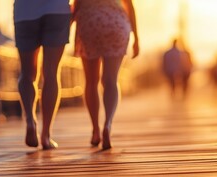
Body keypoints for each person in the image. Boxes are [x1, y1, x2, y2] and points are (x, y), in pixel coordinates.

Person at [73, 0, 139, 150]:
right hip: (115, 23)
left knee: (91, 82)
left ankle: (96, 130)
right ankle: (107, 124)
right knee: (110, 80)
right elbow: (130, 6)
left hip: (89, 23)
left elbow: (76, 7)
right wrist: (137, 38)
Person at [13, 0, 71, 149]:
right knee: (51, 73)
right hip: (57, 10)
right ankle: (46, 135)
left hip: (25, 11)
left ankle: (30, 120)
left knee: (27, 73)